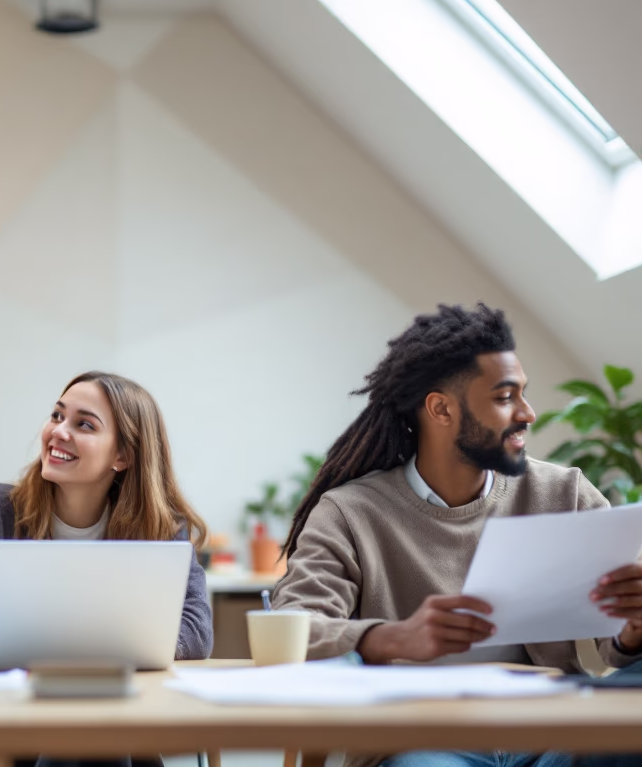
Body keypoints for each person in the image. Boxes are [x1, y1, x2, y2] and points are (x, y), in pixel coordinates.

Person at [274, 303, 642, 767]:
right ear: (441, 408)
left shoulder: (563, 492)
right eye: (505, 397)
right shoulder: (351, 513)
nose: (527, 413)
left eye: (522, 394)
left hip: (551, 735)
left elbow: (614, 644)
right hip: (424, 741)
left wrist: (633, 632)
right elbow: (293, 628)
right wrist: (393, 638)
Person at [0, 370, 213, 661]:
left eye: (84, 424)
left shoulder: (158, 526)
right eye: (57, 416)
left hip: (125, 697)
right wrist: (105, 644)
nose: (58, 432)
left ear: (123, 456)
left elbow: (196, 632)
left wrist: (25, 642)